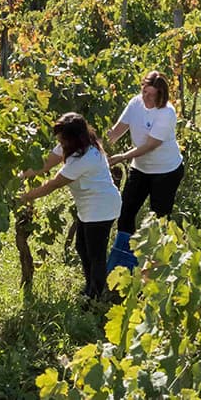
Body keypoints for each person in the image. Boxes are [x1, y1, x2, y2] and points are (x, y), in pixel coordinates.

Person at [18, 113, 121, 301]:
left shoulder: (86, 158)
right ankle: (90, 289)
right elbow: (45, 164)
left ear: (74, 138)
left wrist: (24, 197)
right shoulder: (72, 144)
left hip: (101, 208)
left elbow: (53, 184)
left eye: (62, 139)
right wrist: (20, 175)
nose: (60, 143)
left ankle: (95, 298)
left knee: (95, 254)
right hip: (89, 206)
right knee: (82, 247)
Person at [106, 71, 184, 237]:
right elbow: (117, 130)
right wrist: (99, 146)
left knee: (159, 219)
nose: (146, 98)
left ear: (161, 95)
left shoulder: (167, 113)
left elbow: (150, 145)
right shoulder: (136, 103)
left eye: (152, 95)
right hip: (140, 169)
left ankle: (160, 251)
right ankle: (125, 249)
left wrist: (122, 157)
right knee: (125, 213)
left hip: (165, 172)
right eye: (144, 92)